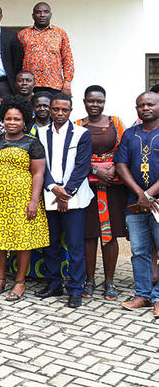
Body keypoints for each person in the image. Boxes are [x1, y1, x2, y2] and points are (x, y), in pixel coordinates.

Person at [0, 96, 49, 301]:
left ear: (24, 121)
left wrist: (34, 201)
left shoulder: (32, 143)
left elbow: (38, 173)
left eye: (16, 119)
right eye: (8, 119)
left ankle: (20, 282)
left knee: (22, 241)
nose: (12, 123)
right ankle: (1, 279)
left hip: (23, 199)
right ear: (3, 120)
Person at [36, 93, 93, 309]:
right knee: (50, 244)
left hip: (75, 197)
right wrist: (53, 188)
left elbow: (82, 167)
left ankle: (76, 289)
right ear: (50, 109)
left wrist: (66, 192)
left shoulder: (82, 134)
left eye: (65, 110)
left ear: (71, 111)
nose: (60, 113)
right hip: (50, 194)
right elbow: (41, 166)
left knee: (75, 245)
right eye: (56, 109)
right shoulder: (40, 134)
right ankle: (54, 284)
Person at [74, 85, 127, 301]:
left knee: (110, 234)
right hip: (87, 187)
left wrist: (114, 168)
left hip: (112, 187)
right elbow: (74, 156)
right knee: (89, 235)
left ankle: (110, 282)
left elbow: (123, 149)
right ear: (84, 101)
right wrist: (95, 169)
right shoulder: (77, 125)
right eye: (91, 101)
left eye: (99, 101)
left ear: (104, 102)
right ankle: (89, 280)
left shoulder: (115, 122)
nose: (95, 105)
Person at [114, 91, 159, 315]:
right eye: (141, 105)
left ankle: (158, 297)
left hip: (157, 204)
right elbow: (121, 164)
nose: (145, 108)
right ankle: (143, 295)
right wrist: (140, 194)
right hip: (135, 203)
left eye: (150, 104)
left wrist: (149, 194)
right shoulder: (130, 134)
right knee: (139, 251)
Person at [18, 2, 74, 95]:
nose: (42, 15)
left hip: (54, 85)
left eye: (46, 12)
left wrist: (67, 82)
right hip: (30, 85)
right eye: (38, 12)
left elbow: (67, 59)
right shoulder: (23, 34)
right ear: (33, 16)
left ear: (50, 15)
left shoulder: (60, 33)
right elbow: (17, 61)